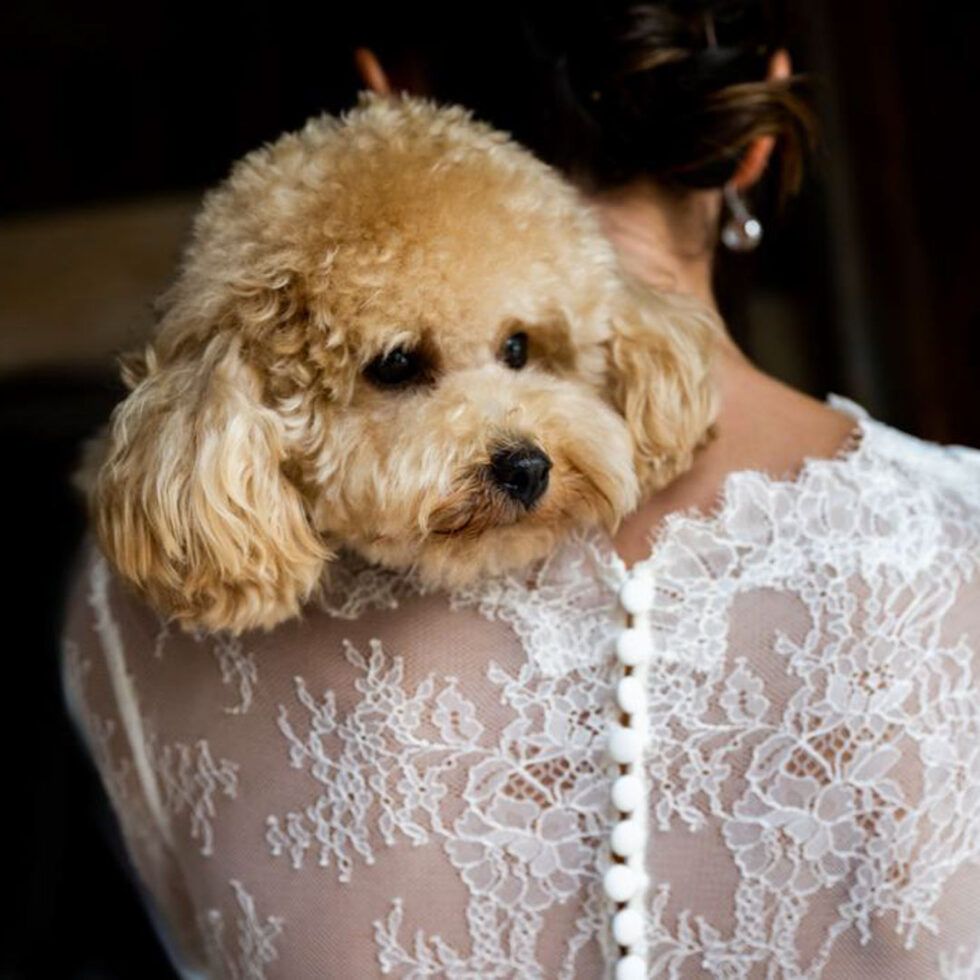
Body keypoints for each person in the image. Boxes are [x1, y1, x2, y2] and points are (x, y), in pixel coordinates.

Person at [61, 3, 980, 977]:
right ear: (751, 138)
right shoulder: (957, 538)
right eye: (399, 363)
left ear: (384, 90)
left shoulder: (125, 622)